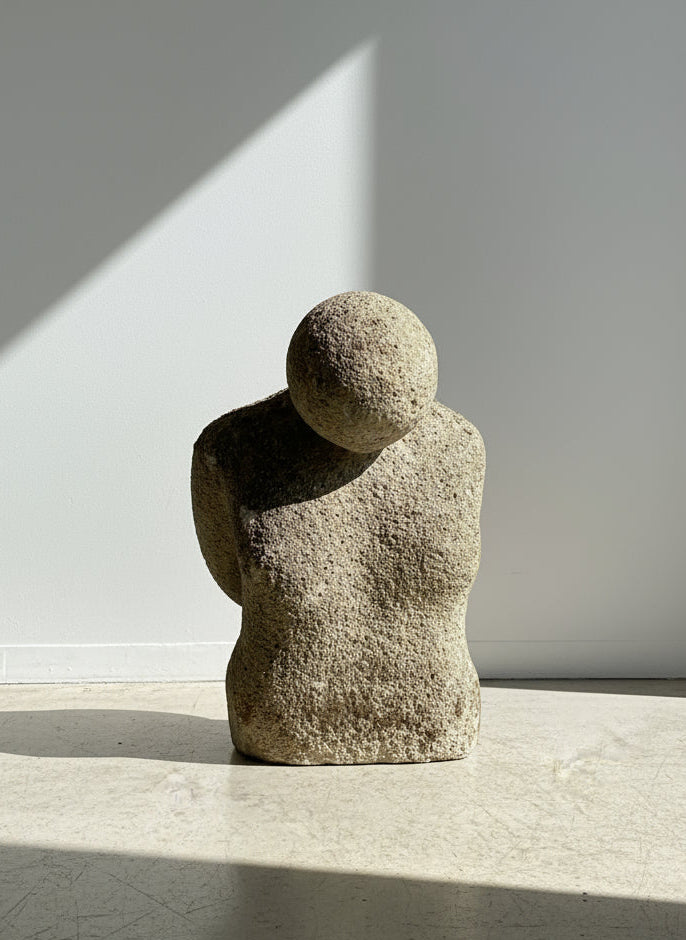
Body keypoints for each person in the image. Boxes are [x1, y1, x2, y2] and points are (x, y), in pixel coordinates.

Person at [192, 291, 485, 764]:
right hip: (280, 713)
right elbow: (234, 576)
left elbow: (237, 579)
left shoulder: (459, 449)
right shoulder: (232, 450)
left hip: (437, 712)